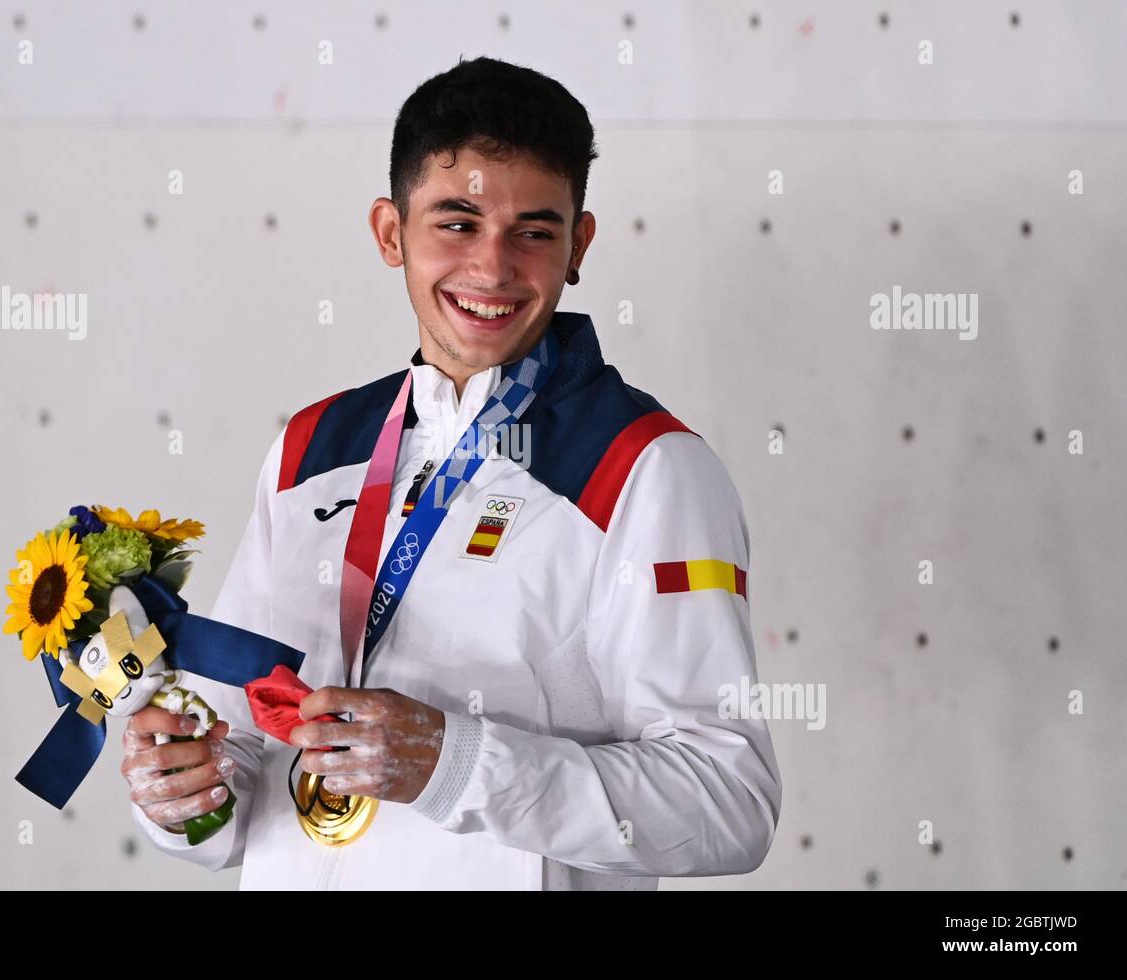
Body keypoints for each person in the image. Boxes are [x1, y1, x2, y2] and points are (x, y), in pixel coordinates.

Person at [121, 55, 781, 890]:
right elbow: (247, 748)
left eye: (534, 231)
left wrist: (455, 763)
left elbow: (730, 803)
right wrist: (188, 797)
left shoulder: (647, 468)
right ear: (390, 232)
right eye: (457, 222)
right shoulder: (310, 448)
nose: (493, 268)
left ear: (578, 244)